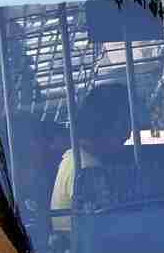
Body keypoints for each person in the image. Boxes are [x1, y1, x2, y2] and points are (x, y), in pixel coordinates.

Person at [49, 81, 135, 235]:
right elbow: (106, 232)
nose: (128, 134)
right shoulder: (88, 169)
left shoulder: (74, 157)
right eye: (124, 124)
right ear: (104, 124)